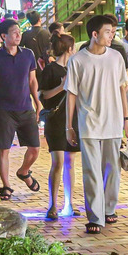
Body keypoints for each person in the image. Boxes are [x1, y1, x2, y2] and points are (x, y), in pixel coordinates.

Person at [65, 15, 128, 234]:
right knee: (91, 171)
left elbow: (123, 88)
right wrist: (69, 125)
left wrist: (126, 118)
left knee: (113, 169)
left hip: (113, 121)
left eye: (113, 32)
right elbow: (71, 95)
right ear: (95, 34)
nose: (112, 36)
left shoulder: (116, 57)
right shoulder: (77, 60)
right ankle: (95, 216)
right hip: (89, 122)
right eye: (108, 32)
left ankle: (109, 209)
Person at [0, 19, 42, 201]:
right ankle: (6, 185)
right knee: (4, 149)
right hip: (4, 110)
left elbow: (32, 80)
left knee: (35, 149)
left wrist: (37, 101)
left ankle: (24, 171)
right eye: (14, 32)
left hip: (26, 108)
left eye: (19, 31)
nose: (18, 35)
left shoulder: (28, 55)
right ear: (3, 36)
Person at [40, 32, 80, 220]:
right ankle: (52, 204)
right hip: (55, 121)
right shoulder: (50, 70)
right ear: (69, 49)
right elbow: (44, 96)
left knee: (70, 162)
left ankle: (69, 204)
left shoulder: (74, 68)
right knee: (57, 162)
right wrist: (61, 86)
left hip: (71, 120)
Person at [21, 10, 51, 75]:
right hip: (44, 66)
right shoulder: (46, 33)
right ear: (40, 19)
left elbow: (20, 49)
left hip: (30, 67)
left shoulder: (25, 34)